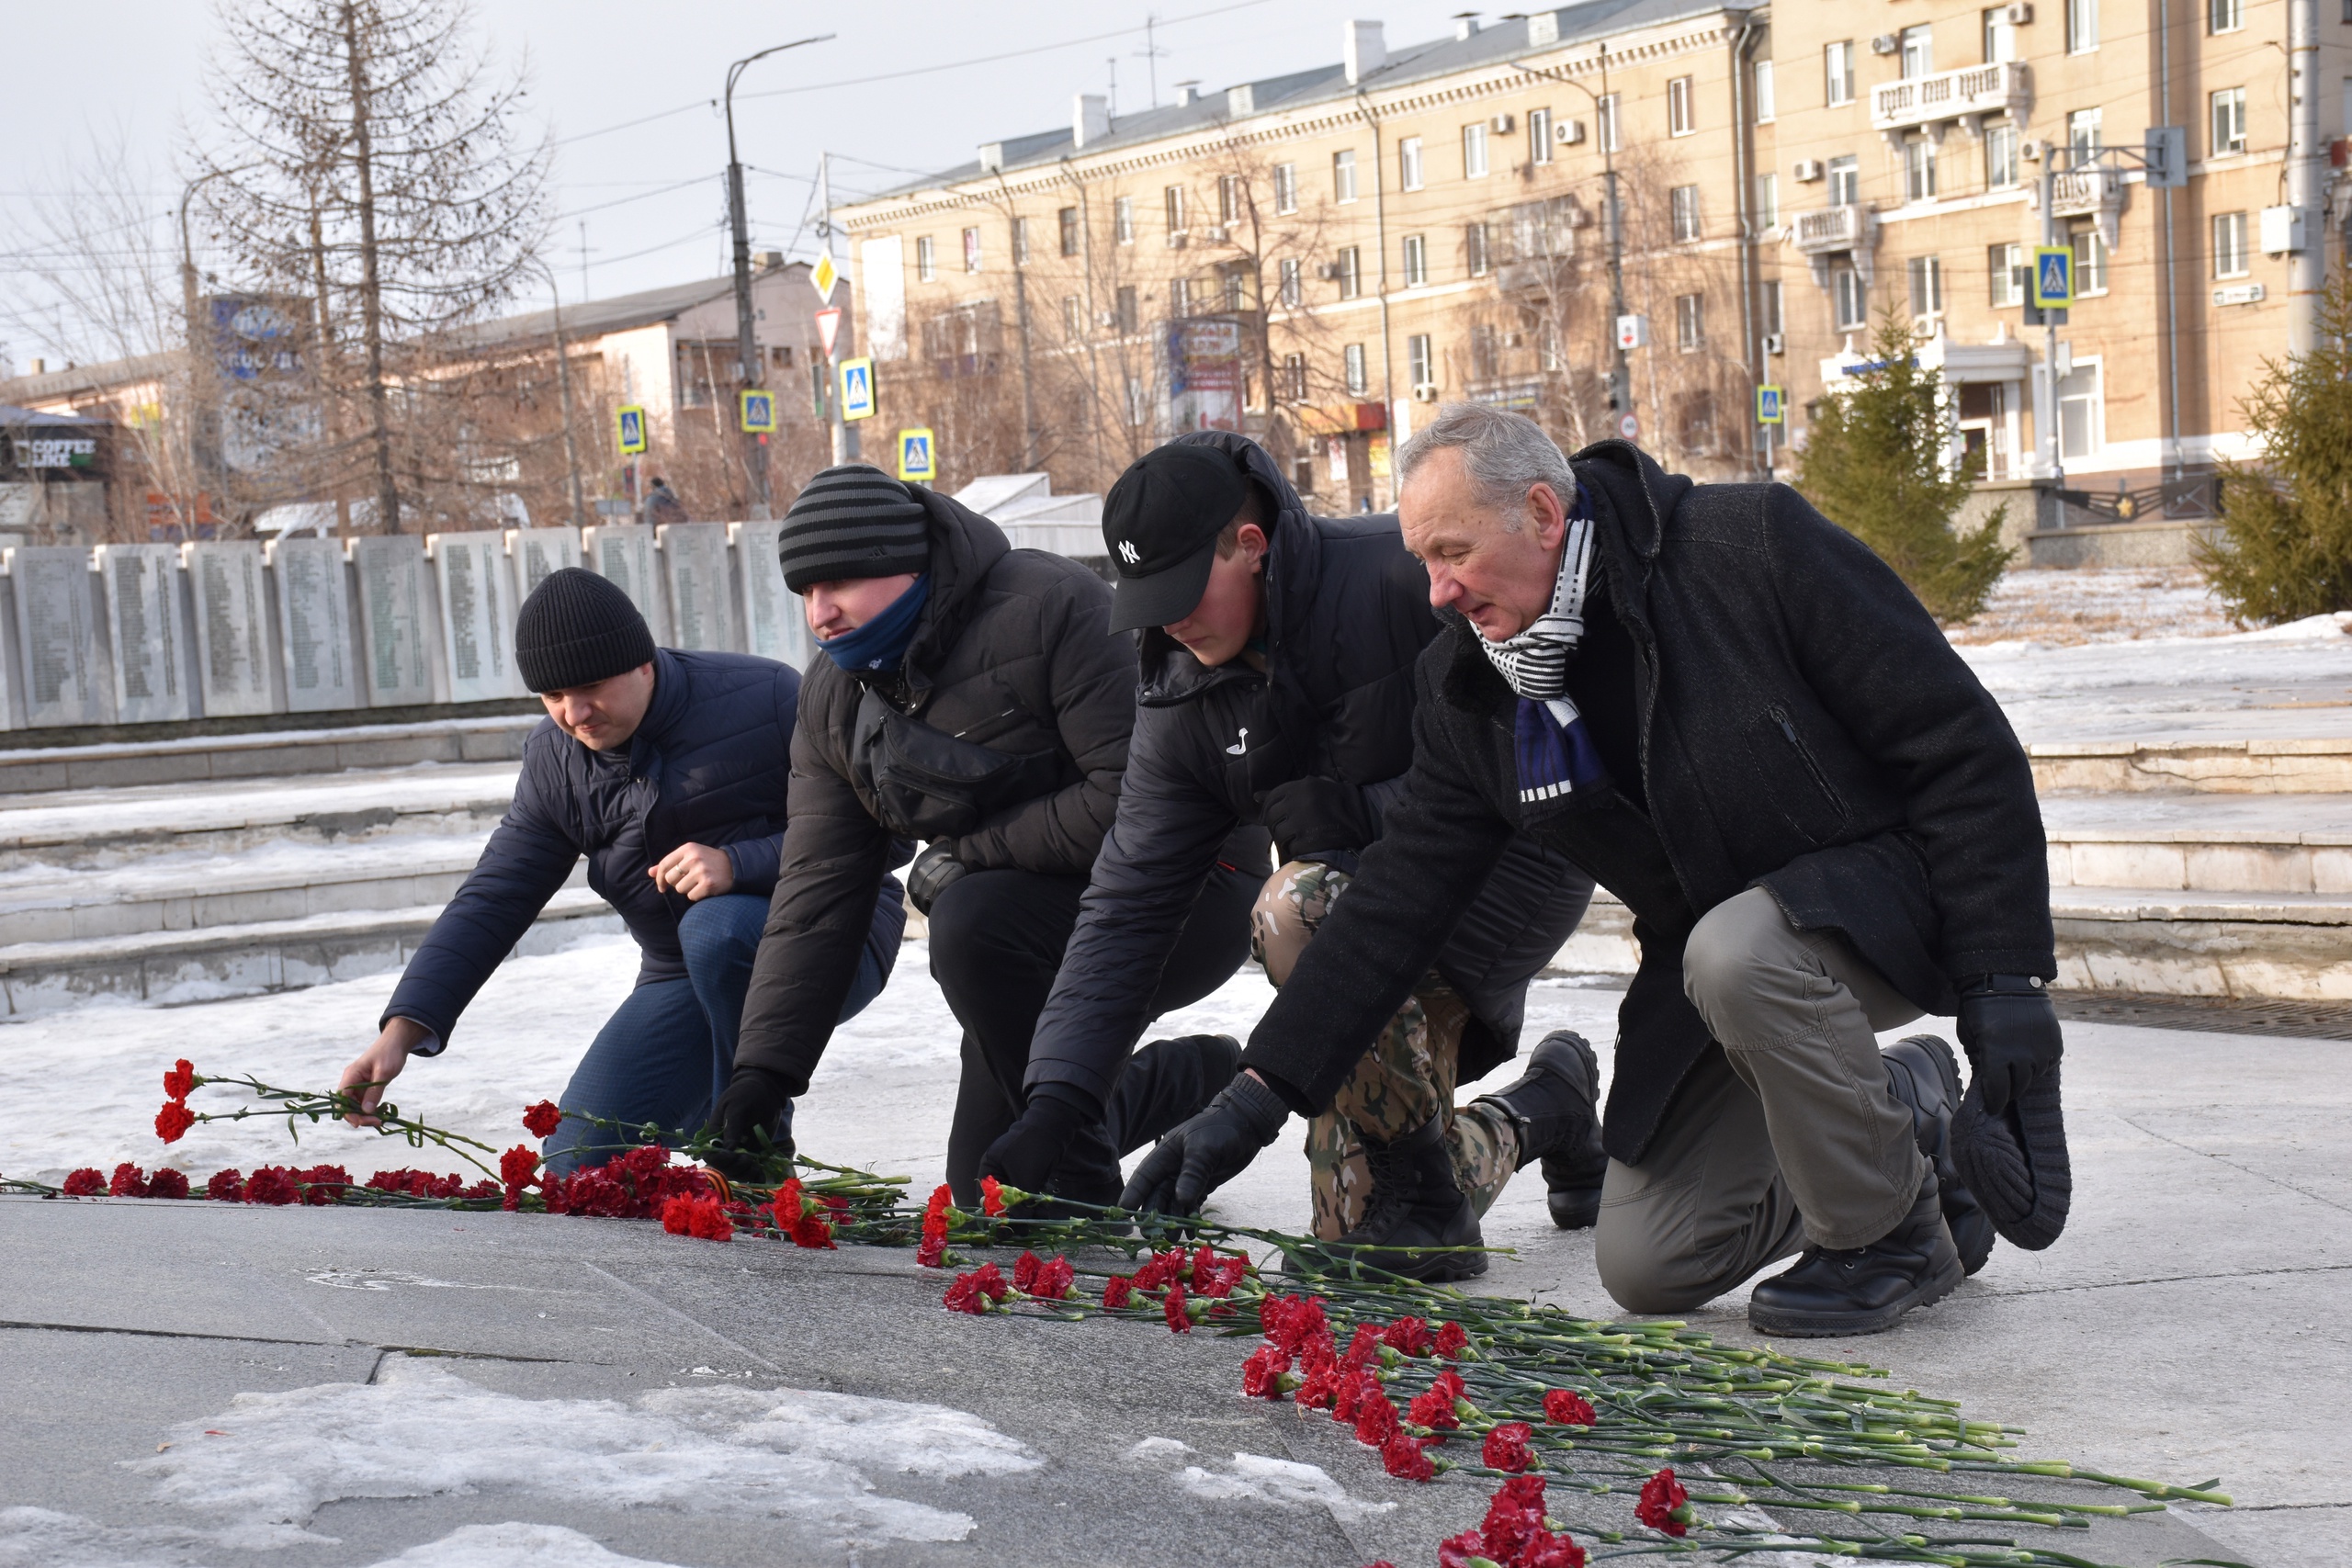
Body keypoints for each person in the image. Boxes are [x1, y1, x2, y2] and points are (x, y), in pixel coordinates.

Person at [1124, 404, 2061, 1337]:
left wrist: (2002, 981)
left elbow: (1960, 749)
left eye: (1453, 553)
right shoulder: (1477, 690)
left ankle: (1891, 1239)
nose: (1437, 593)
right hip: (1715, 968)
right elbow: (1396, 903)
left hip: (1883, 903)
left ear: (1541, 514)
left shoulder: (1749, 548)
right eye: (1422, 561)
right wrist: (1252, 1100)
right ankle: (1907, 1124)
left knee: (1737, 948)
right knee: (1653, 1263)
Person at [992, 432, 1601, 1279]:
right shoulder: (1179, 685)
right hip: (1353, 924)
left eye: (1181, 588)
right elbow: (1129, 899)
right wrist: (1058, 1095)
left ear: (1250, 546)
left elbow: (1518, 761)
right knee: (1361, 1232)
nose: (1168, 619)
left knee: (1294, 902)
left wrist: (1357, 813)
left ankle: (1429, 1181)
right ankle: (1544, 1109)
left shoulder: (1401, 583)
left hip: (1510, 867)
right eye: (1147, 596)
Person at [707, 464, 1265, 1204]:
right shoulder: (834, 699)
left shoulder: (1049, 606)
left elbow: (1139, 801)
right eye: (804, 592)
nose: (820, 613)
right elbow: (818, 889)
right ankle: (1185, 1081)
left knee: (971, 919)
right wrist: (762, 1077)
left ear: (903, 565)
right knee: (983, 1187)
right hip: (1017, 921)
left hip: (1189, 890)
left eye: (836, 583)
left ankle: (1078, 1187)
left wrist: (969, 853)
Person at [336, 567, 904, 1175]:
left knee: (716, 928)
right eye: (552, 696)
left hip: (831, 936)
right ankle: (722, 1130)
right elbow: (495, 894)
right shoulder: (556, 761)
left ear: (642, 662)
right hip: (680, 971)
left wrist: (740, 863)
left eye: (590, 687)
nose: (574, 713)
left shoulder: (764, 696)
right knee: (579, 1164)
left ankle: (754, 1151)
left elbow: (885, 832)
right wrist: (404, 1026)